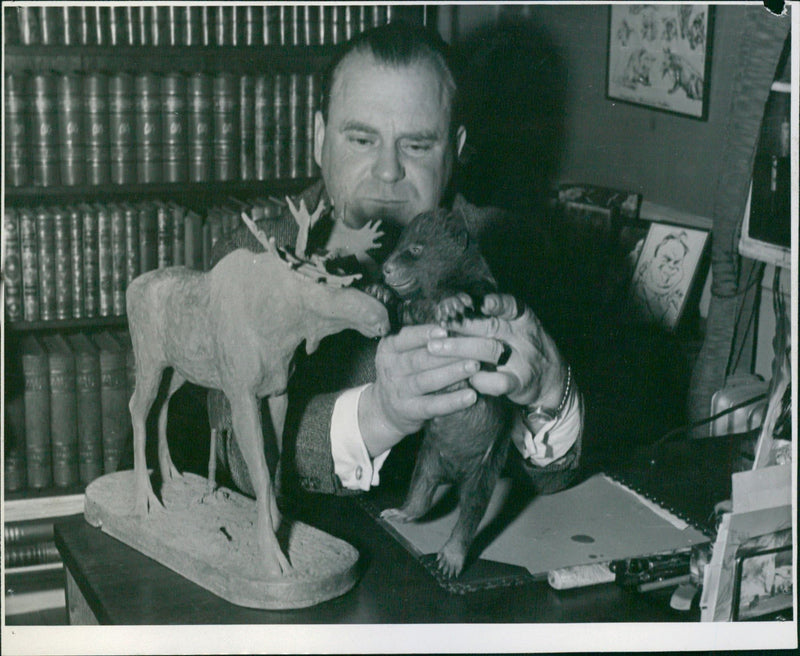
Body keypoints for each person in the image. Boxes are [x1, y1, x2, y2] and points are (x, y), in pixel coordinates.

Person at [206, 22, 584, 499]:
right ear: (319, 136)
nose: (388, 172)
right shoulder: (249, 258)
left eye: (417, 145)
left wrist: (551, 389)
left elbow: (553, 477)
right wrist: (380, 416)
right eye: (361, 140)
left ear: (458, 150)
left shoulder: (514, 250)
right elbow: (241, 462)